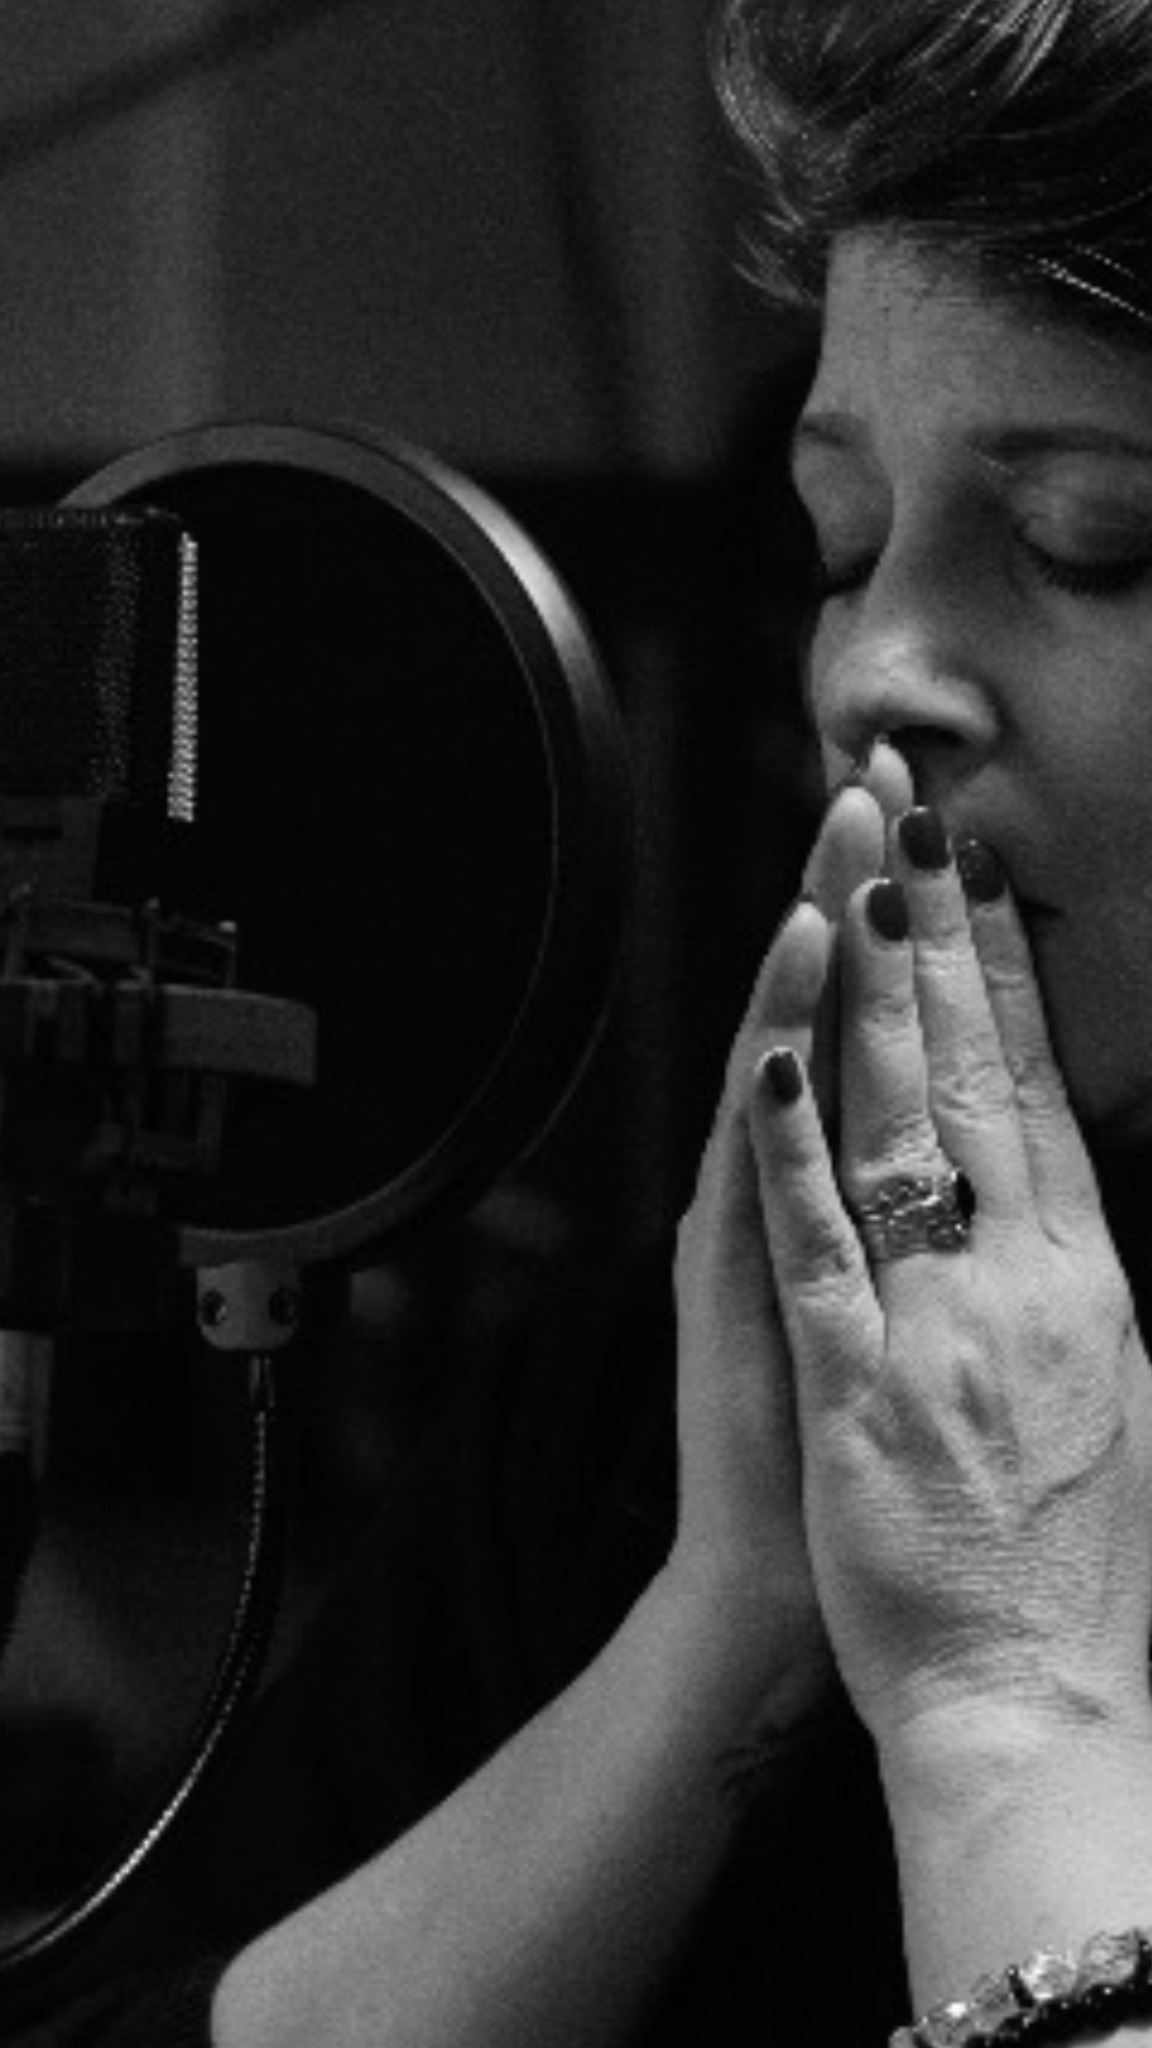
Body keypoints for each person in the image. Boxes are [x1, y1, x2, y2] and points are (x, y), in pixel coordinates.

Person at [17, 0, 1152, 2040]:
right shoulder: (687, 1397)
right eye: (844, 543)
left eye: (1089, 540)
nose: (876, 669)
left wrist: (1007, 1697)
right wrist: (721, 1630)